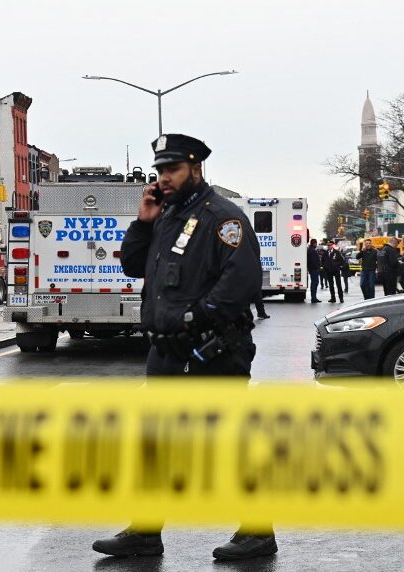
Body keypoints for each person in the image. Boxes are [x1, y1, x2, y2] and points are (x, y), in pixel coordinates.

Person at [99, 133, 275, 561]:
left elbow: (241, 283)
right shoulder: (165, 216)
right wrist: (143, 222)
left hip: (211, 352)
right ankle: (145, 532)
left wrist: (195, 318)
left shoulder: (223, 219)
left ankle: (258, 531)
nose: (164, 178)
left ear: (196, 169)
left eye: (173, 169)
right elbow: (132, 264)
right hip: (166, 353)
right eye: (160, 170)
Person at [307, 239, 322, 303]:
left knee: (314, 283)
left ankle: (314, 297)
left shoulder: (310, 249)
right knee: (315, 283)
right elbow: (313, 261)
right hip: (314, 269)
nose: (316, 244)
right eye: (316, 243)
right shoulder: (312, 250)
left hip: (312, 269)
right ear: (314, 243)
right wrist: (317, 267)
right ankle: (314, 298)